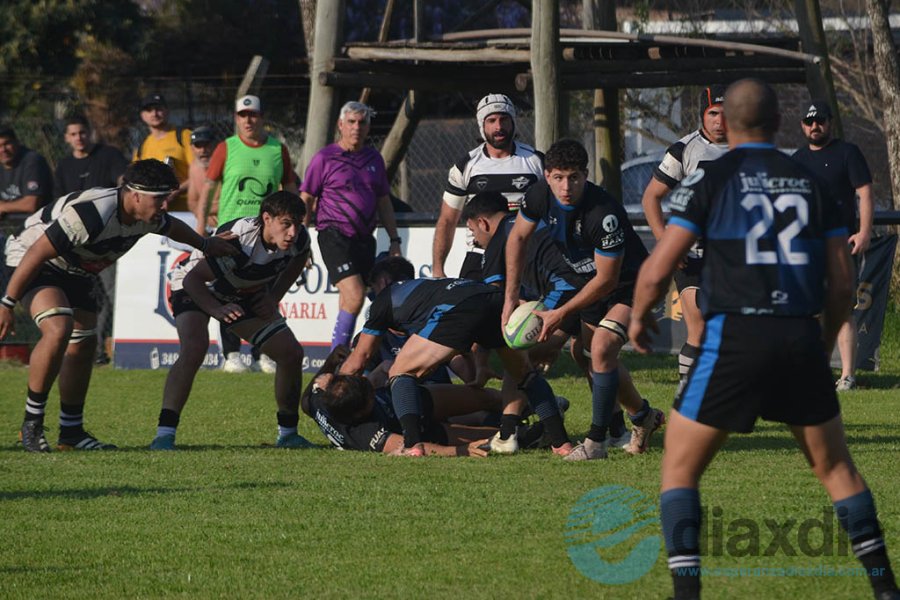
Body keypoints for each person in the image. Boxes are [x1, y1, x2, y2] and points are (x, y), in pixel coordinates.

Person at [629, 78, 899, 600]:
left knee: (679, 469)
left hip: (732, 337)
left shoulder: (713, 177)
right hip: (797, 335)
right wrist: (817, 343)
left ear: (724, 124)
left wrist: (640, 317)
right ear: (779, 124)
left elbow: (658, 265)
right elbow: (842, 283)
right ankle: (885, 587)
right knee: (836, 468)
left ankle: (687, 593)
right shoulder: (810, 182)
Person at [1, 159, 236, 452]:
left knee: (83, 344)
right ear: (135, 194)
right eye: (160, 198)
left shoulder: (147, 214)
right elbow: (36, 252)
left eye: (168, 197)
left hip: (77, 269)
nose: (165, 205)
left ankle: (71, 431)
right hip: (35, 262)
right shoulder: (92, 212)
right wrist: (7, 303)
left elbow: (173, 227)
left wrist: (205, 244)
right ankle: (31, 426)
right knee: (58, 328)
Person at [504, 139, 665, 461]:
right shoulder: (537, 195)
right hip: (589, 283)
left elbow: (608, 279)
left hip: (633, 284)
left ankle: (595, 444)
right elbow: (518, 237)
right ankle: (643, 417)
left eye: (575, 177)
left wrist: (559, 313)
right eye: (559, 177)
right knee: (588, 356)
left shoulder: (601, 213)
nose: (567, 186)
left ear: (586, 175)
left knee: (602, 348)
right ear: (547, 175)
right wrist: (510, 298)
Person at [339, 256, 573, 457]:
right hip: (491, 297)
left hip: (460, 307)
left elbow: (360, 358)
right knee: (526, 376)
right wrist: (480, 365)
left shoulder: (385, 299)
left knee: (400, 371)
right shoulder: (427, 288)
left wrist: (334, 387)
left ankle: (412, 446)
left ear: (382, 282)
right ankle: (561, 444)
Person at [462, 191, 631, 451]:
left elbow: (492, 302)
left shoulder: (498, 241)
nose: (475, 239)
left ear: (483, 223)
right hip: (586, 285)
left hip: (564, 290)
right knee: (587, 355)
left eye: (473, 231)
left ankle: (509, 433)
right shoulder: (528, 221)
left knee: (517, 354)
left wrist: (480, 360)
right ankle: (617, 428)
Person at [151, 191, 312, 450]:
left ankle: (288, 434)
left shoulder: (298, 239)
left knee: (291, 353)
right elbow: (194, 279)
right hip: (194, 286)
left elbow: (300, 258)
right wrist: (216, 308)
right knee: (195, 348)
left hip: (239, 291)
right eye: (286, 224)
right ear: (267, 218)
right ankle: (164, 434)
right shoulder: (240, 241)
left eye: (297, 224)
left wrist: (273, 297)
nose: (293, 232)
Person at [201, 95, 299, 374]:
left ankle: (264, 352)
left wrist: (296, 224)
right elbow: (208, 188)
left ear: (262, 117)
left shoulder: (277, 149)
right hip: (233, 235)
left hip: (268, 235)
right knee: (227, 291)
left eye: (253, 114)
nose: (248, 120)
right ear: (236, 118)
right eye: (242, 115)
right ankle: (232, 354)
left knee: (264, 291)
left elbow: (289, 186)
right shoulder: (226, 148)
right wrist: (200, 230)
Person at [641, 85, 728, 393]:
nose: (720, 121)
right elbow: (651, 197)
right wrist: (666, 243)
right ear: (703, 114)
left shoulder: (749, 148)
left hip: (733, 255)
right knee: (701, 323)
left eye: (726, 114)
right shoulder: (685, 149)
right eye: (713, 114)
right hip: (692, 254)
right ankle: (688, 393)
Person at [300, 101, 402, 351]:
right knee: (356, 295)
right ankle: (336, 356)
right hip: (334, 234)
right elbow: (306, 198)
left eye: (362, 122)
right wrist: (300, 240)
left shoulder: (374, 159)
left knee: (351, 299)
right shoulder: (324, 158)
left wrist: (394, 239)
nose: (357, 127)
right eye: (352, 122)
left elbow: (383, 200)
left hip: (365, 237)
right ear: (340, 125)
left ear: (368, 127)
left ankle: (343, 360)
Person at [793, 99, 874, 391]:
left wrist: (864, 231)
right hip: (806, 245)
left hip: (841, 242)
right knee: (809, 310)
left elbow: (864, 193)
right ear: (802, 125)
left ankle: (848, 374)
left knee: (841, 308)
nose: (815, 126)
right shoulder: (798, 159)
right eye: (809, 121)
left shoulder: (847, 153)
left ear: (830, 122)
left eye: (821, 120)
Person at [301, 346, 494, 456]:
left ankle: (514, 404)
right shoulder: (366, 434)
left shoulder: (320, 400)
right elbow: (413, 449)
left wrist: (330, 363)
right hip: (417, 430)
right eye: (370, 394)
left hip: (406, 399)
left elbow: (305, 401)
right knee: (492, 438)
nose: (371, 387)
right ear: (360, 414)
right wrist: (461, 450)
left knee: (485, 397)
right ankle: (515, 430)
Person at [432, 93, 543, 279]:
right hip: (480, 255)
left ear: (513, 122)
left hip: (525, 253)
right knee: (470, 307)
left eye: (504, 119)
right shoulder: (466, 166)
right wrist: (437, 269)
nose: (498, 127)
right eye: (491, 120)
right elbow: (447, 220)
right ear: (482, 126)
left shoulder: (536, 161)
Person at [53, 114, 130, 365]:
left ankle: (118, 349)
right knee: (80, 296)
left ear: (90, 133)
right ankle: (89, 350)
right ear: (66, 138)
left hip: (107, 241)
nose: (79, 138)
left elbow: (123, 180)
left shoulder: (108, 155)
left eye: (82, 132)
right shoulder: (64, 166)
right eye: (73, 134)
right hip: (77, 243)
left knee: (112, 294)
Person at [133, 93, 193, 212]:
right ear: (142, 115)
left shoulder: (184, 136)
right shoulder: (142, 146)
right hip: (154, 213)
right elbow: (136, 182)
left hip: (186, 211)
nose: (154, 114)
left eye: (158, 109)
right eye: (149, 110)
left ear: (167, 111)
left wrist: (175, 191)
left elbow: (201, 174)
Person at [0, 125, 53, 218]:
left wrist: (3, 207)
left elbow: (31, 204)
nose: (3, 150)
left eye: (7, 144)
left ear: (16, 142)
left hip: (36, 224)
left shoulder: (32, 161)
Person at [186, 125, 217, 233]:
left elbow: (231, 203)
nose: (203, 150)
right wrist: (204, 217)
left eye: (207, 145)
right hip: (206, 221)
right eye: (198, 146)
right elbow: (192, 202)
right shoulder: (194, 167)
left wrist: (203, 213)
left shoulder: (228, 167)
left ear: (215, 145)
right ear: (192, 148)